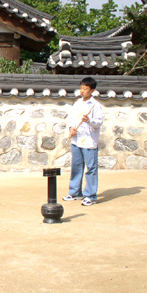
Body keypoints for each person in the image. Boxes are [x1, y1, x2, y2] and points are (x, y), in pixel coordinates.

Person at [62, 77, 103, 206]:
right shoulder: (77, 103)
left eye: (85, 89)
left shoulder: (95, 105)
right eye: (81, 88)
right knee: (76, 166)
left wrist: (88, 121)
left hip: (89, 141)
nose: (82, 91)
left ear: (92, 90)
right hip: (76, 140)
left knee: (90, 168)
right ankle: (75, 192)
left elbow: (98, 122)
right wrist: (71, 129)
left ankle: (90, 195)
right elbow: (72, 119)